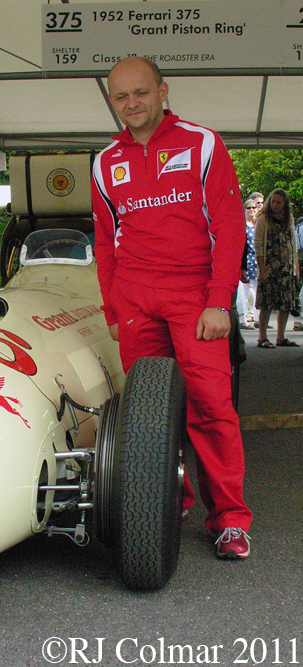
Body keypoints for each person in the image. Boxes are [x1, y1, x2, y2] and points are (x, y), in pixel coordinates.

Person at [91, 56, 252, 559]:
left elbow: (230, 229)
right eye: (121, 97)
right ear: (112, 101)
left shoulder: (203, 144)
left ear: (163, 91)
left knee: (210, 407)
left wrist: (219, 301)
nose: (131, 104)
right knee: (149, 410)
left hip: (193, 295)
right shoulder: (103, 162)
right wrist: (115, 311)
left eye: (140, 93)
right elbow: (105, 244)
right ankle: (168, 498)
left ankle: (229, 518)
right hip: (137, 299)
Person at [254, 188, 300, 348]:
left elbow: (293, 243)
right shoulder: (263, 219)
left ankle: (281, 337)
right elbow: (258, 245)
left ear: (285, 204)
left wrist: (296, 268)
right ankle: (262, 337)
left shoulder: (289, 218)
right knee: (267, 303)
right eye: (273, 201)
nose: (275, 205)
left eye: (279, 202)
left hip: (286, 267)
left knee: (285, 304)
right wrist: (262, 271)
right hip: (269, 267)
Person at [238, 199, 259, 328]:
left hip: (257, 260)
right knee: (244, 292)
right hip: (246, 260)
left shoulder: (258, 225)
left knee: (257, 291)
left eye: (254, 207)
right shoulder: (242, 225)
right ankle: (242, 318)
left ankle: (258, 319)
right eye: (249, 207)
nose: (252, 209)